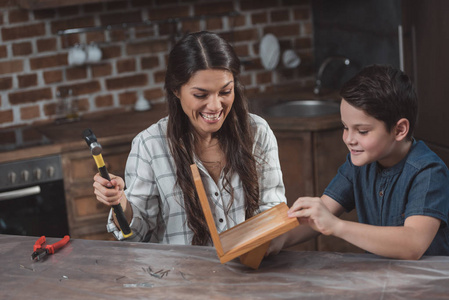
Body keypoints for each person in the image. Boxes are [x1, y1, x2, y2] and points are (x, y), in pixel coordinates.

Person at [92, 31, 286, 246]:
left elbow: (272, 210)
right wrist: (121, 204)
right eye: (201, 95)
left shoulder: (257, 131)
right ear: (176, 90)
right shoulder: (150, 145)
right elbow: (137, 235)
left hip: (247, 273)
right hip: (180, 277)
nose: (215, 106)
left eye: (225, 91)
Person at [269, 64, 449, 259]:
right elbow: (321, 214)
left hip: (427, 285)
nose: (349, 139)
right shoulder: (359, 165)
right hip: (380, 280)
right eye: (345, 127)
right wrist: (279, 240)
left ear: (399, 130)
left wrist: (336, 226)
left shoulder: (428, 171)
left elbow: (413, 244)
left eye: (362, 131)